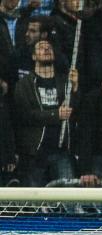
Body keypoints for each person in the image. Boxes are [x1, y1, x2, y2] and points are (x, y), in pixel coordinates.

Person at [13, 39, 78, 186]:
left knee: (69, 199)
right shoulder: (24, 84)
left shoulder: (64, 82)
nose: (46, 49)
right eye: (41, 47)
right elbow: (24, 115)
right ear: (34, 56)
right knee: (36, 202)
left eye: (49, 47)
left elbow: (74, 112)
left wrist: (75, 88)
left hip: (61, 151)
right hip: (34, 153)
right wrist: (55, 115)